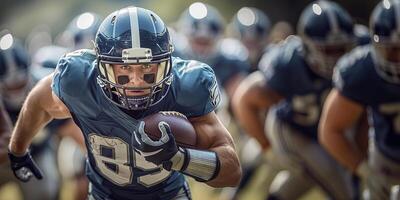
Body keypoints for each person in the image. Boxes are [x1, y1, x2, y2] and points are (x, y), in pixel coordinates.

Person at [8, 6, 242, 200]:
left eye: (148, 68)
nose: (136, 80)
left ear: (167, 64)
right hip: (105, 195)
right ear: (101, 66)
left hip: (169, 195)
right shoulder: (80, 80)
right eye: (124, 69)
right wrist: (17, 149)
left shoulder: (188, 87)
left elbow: (232, 172)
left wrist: (181, 158)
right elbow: (39, 100)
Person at [232, 0, 358, 199]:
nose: (335, 58)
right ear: (307, 46)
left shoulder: (362, 49)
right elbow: (244, 99)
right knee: (340, 183)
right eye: (327, 50)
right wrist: (267, 147)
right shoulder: (289, 63)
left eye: (341, 48)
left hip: (327, 131)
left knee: (312, 175)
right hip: (293, 129)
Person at [319, 1, 400, 199]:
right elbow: (330, 130)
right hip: (386, 160)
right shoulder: (362, 71)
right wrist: (364, 170)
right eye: (393, 50)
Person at [0, 31, 61, 200]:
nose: (16, 90)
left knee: (44, 192)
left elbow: (72, 128)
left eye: (20, 84)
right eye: (10, 87)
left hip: (35, 156)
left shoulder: (46, 86)